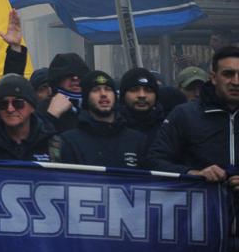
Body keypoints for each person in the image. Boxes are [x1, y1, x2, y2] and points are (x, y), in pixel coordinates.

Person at [150, 46, 239, 185]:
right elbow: (155, 161)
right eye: (228, 74)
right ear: (214, 78)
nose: (236, 82)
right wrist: (193, 174)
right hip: (200, 204)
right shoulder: (184, 115)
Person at [53, 71, 147, 168]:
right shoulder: (69, 141)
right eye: (96, 90)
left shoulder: (137, 140)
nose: (103, 94)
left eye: (108, 89)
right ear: (86, 98)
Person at [39, 52, 90, 134]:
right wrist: (51, 116)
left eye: (80, 74)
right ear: (57, 80)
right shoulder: (43, 109)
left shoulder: (93, 106)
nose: (75, 78)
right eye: (69, 75)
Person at [118, 67, 164, 150]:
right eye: (134, 90)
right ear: (123, 95)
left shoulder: (167, 129)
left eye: (148, 90)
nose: (142, 95)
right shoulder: (112, 127)